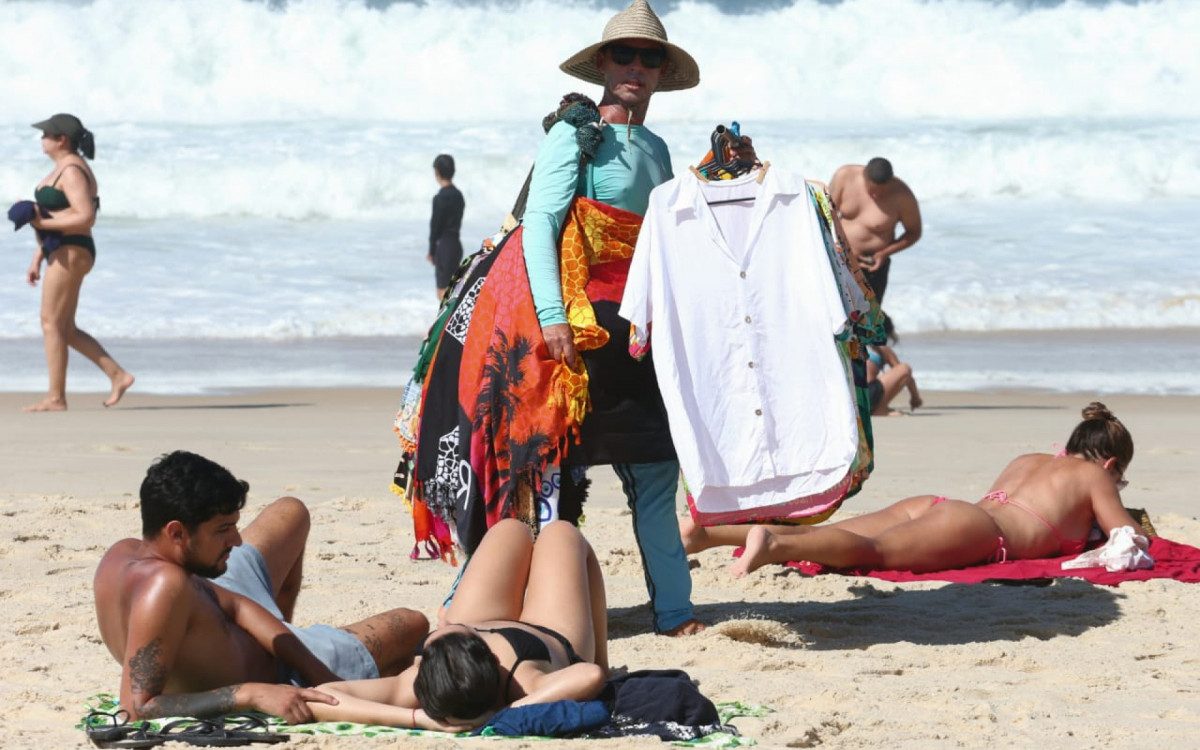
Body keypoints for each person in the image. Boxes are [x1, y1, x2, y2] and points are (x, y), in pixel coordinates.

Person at [517, 0, 736, 637]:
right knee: (556, 481)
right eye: (625, 54)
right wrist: (552, 317)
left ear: (662, 71)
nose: (637, 66)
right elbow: (540, 226)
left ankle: (674, 610)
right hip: (576, 335)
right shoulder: (574, 136)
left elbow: (672, 246)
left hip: (640, 336)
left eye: (650, 57)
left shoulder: (660, 149)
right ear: (603, 65)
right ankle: (546, 610)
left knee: (656, 476)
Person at [93, 451, 429, 722]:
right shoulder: (166, 587)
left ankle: (302, 637)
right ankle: (324, 646)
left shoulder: (124, 553)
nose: (236, 540)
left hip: (247, 627)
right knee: (413, 623)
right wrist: (252, 693)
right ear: (177, 533)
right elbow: (137, 708)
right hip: (277, 675)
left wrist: (319, 673)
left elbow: (237, 606)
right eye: (223, 529)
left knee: (290, 511)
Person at [682, 403, 1145, 577]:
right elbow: (1126, 539)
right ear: (1109, 463)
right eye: (1119, 477)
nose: (1116, 485)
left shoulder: (1030, 459)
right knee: (871, 551)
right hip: (980, 531)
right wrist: (1127, 515)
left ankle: (711, 535)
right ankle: (775, 542)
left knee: (845, 533)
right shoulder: (1095, 477)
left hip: (943, 506)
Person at [305, 519, 608, 731]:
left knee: (510, 529)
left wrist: (413, 718)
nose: (440, 620)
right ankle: (604, 653)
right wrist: (508, 712)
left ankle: (462, 624)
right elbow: (589, 675)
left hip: (479, 619)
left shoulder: (417, 681)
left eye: (432, 638)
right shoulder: (525, 681)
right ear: (488, 655)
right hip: (546, 634)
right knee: (561, 534)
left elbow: (322, 696)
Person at [22, 113, 134, 412]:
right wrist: (38, 255)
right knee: (65, 328)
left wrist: (40, 222)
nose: (41, 139)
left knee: (51, 323)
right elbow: (55, 218)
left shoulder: (71, 171)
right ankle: (118, 375)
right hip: (62, 249)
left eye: (46, 134)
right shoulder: (64, 168)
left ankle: (56, 398)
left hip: (72, 249)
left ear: (62, 139)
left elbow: (85, 216)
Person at [829, 157, 921, 303]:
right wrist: (845, 249)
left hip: (871, 265)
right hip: (840, 258)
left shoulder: (903, 196)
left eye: (882, 192)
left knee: (869, 320)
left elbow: (914, 232)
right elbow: (826, 216)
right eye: (872, 191)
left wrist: (883, 253)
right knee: (835, 314)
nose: (876, 196)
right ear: (864, 176)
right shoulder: (845, 177)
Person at [866, 313, 922, 416]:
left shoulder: (853, 344)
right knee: (904, 369)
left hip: (851, 399)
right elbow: (906, 376)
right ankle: (880, 409)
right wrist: (915, 397)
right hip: (868, 394)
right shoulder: (882, 349)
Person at [428, 154, 464, 299]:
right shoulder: (459, 195)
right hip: (456, 246)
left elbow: (435, 227)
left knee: (443, 294)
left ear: (437, 172)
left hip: (444, 247)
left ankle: (446, 322)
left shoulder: (439, 198)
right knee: (454, 292)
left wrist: (431, 250)